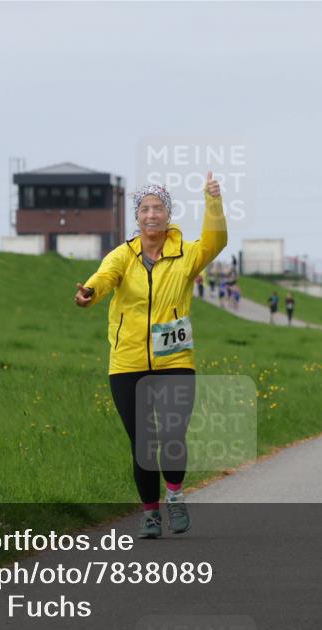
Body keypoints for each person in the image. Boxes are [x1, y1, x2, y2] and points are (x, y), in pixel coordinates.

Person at [74, 173, 226, 538]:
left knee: (172, 435)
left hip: (175, 360)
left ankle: (174, 496)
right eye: (144, 209)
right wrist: (89, 293)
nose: (151, 215)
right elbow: (104, 277)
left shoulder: (187, 255)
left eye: (158, 208)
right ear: (137, 216)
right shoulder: (122, 256)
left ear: (168, 214)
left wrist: (213, 201)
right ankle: (150, 514)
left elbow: (216, 241)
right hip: (127, 363)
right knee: (143, 442)